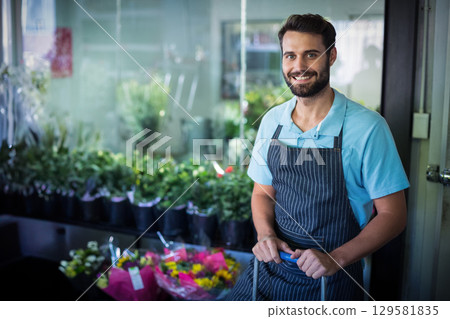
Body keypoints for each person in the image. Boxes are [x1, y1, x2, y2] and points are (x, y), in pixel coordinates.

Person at [227, 14, 409, 301]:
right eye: (290, 56)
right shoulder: (273, 120)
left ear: (331, 55)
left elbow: (393, 215)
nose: (299, 67)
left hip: (331, 281)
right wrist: (265, 235)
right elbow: (262, 192)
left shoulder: (367, 127)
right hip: (269, 270)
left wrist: (335, 258)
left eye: (310, 55)